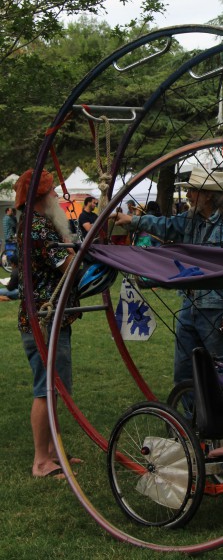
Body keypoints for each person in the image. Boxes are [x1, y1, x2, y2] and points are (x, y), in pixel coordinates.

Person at [113, 166, 223, 384]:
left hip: (216, 311)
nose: (187, 196)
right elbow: (165, 225)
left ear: (208, 195)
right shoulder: (190, 219)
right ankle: (188, 417)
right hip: (189, 305)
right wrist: (132, 221)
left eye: (192, 191)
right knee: (185, 372)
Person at [14, 168, 81, 479]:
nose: (57, 196)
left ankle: (53, 451)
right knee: (46, 389)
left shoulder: (38, 225)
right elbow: (68, 267)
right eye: (52, 191)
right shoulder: (38, 229)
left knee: (56, 387)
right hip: (43, 322)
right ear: (41, 197)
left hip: (50, 319)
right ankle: (42, 460)